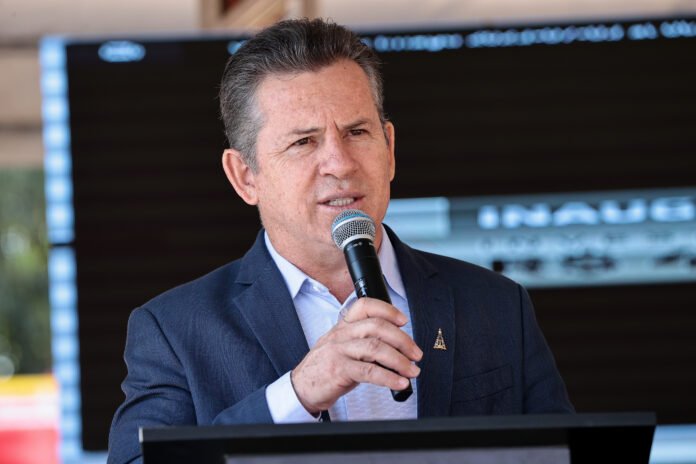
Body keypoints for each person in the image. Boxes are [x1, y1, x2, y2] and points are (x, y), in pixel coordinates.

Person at [107, 18, 573, 464]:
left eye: (357, 132)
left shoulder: (496, 304)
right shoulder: (174, 330)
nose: (340, 163)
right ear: (245, 176)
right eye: (304, 142)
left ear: (390, 149)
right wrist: (298, 394)